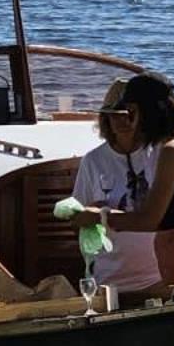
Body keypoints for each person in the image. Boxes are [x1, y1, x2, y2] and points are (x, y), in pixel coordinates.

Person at [70, 71, 174, 290]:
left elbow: (149, 220)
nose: (128, 121)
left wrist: (100, 216)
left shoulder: (171, 150)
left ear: (147, 111)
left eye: (131, 112)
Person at [71, 78, 163, 303]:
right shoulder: (93, 161)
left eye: (130, 114)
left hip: (160, 277)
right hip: (110, 281)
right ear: (105, 119)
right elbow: (76, 218)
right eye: (116, 115)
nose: (123, 121)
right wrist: (93, 214)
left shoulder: (161, 154)